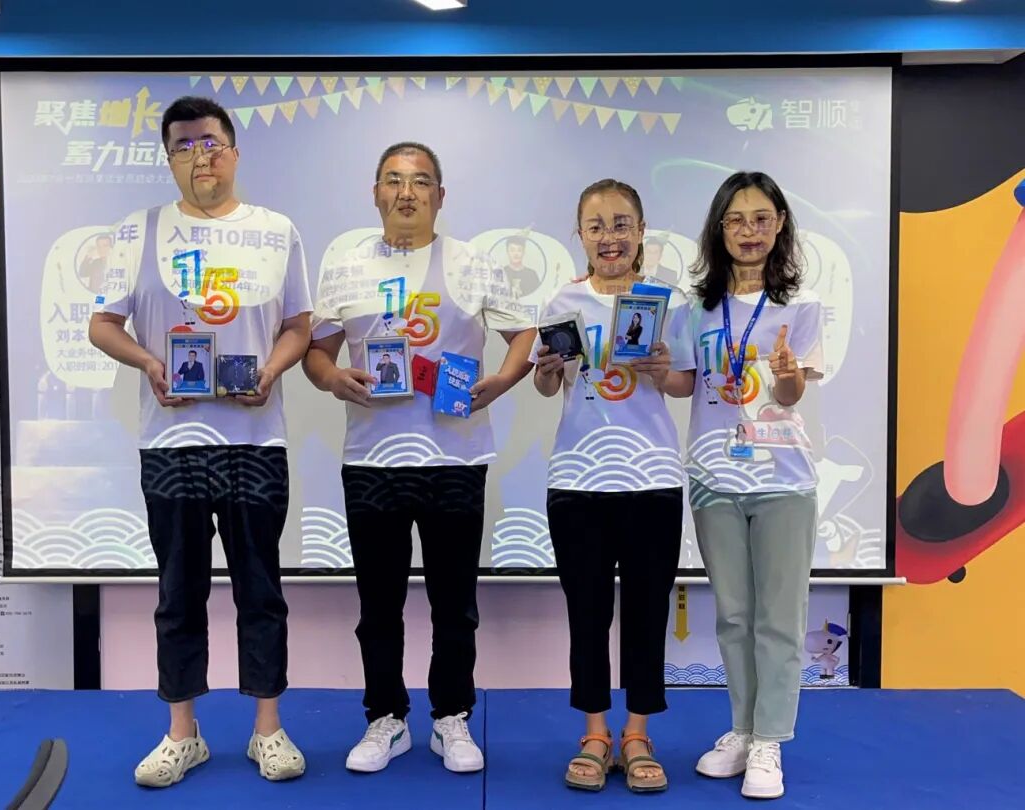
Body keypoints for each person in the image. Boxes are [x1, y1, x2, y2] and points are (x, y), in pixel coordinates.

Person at [88, 96, 313, 787]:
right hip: (171, 441)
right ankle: (182, 733)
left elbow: (299, 326)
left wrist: (272, 371)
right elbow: (103, 324)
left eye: (210, 142)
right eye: (183, 146)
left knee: (260, 588)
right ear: (168, 160)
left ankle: (268, 729)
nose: (200, 156)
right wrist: (150, 363)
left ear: (234, 152)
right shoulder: (138, 231)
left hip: (255, 439)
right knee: (178, 591)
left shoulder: (275, 231)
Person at [304, 141, 535, 775]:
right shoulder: (346, 266)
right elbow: (316, 352)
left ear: (440, 195)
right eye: (394, 180)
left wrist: (501, 382)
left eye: (420, 181)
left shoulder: (473, 262)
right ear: (375, 193)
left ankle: (451, 717)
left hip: (456, 458)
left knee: (454, 602)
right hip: (371, 459)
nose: (406, 192)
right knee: (377, 604)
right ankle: (385, 717)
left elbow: (524, 334)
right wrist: (332, 379)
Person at [533, 179, 694, 793]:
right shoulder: (561, 301)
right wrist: (546, 371)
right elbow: (549, 387)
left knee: (648, 612)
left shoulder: (666, 301)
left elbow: (684, 384)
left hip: (651, 476)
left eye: (621, 224)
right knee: (588, 612)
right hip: (578, 478)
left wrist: (663, 370)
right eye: (596, 226)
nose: (609, 237)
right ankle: (596, 733)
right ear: (580, 235)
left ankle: (638, 734)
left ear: (641, 231)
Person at [685, 171, 824, 800]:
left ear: (781, 225)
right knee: (734, 617)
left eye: (762, 219)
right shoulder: (697, 308)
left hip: (783, 479)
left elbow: (791, 395)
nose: (749, 231)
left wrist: (787, 373)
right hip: (713, 476)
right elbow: (685, 383)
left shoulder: (802, 306)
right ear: (720, 228)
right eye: (737, 220)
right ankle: (741, 729)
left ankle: (770, 740)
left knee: (779, 619)